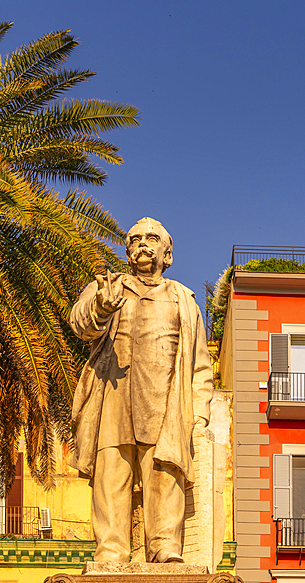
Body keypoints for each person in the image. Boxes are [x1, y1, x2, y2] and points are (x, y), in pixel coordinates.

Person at [69, 218, 213, 563]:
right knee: (111, 474)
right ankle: (112, 551)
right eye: (134, 239)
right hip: (114, 397)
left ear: (168, 253)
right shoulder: (107, 287)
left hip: (164, 400)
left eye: (152, 238)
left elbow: (200, 365)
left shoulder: (184, 300)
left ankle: (165, 547)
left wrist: (201, 413)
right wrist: (101, 306)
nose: (142, 244)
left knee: (164, 472)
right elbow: (80, 323)